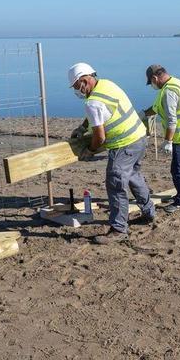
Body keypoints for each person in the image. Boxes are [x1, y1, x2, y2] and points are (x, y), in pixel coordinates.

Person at [67, 62, 156, 244]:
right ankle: (149, 212)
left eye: (77, 86)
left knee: (115, 185)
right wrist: (83, 126)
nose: (77, 90)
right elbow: (101, 113)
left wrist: (89, 151)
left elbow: (99, 137)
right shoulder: (107, 84)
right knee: (133, 176)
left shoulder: (92, 103)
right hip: (139, 136)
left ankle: (118, 229)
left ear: (84, 80)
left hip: (124, 145)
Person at [143, 64, 180, 213]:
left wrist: (168, 141)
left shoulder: (168, 91)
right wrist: (145, 113)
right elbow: (158, 106)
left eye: (151, 82)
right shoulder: (176, 82)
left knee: (178, 169)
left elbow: (172, 120)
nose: (152, 85)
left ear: (155, 78)